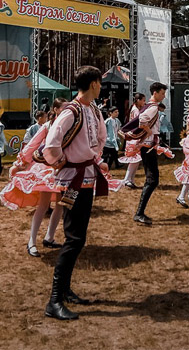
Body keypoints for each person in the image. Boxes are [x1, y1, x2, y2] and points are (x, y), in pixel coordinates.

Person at [42, 66, 109, 321]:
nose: (101, 86)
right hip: (72, 181)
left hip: (86, 179)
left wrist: (94, 158)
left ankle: (65, 291)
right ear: (93, 83)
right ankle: (54, 300)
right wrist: (62, 163)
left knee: (77, 236)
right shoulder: (71, 111)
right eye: (100, 82)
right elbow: (51, 143)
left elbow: (100, 138)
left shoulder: (92, 110)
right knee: (74, 238)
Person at [1, 98, 66, 256]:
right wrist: (19, 163)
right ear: (56, 109)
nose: (67, 111)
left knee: (60, 205)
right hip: (47, 169)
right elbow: (33, 144)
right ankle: (31, 241)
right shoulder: (48, 126)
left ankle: (49, 237)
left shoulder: (68, 125)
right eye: (64, 108)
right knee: (43, 205)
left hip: (62, 169)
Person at [132, 82, 168, 225]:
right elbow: (142, 121)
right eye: (162, 93)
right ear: (155, 93)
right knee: (152, 180)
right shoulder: (153, 108)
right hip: (148, 146)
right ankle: (139, 213)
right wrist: (149, 132)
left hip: (147, 145)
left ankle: (140, 212)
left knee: (152, 179)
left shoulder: (149, 106)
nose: (164, 96)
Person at [120, 93, 146, 189]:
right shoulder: (135, 110)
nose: (144, 102)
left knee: (136, 160)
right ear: (138, 100)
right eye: (143, 100)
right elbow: (138, 124)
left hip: (134, 137)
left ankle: (130, 179)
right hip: (134, 138)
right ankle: (127, 179)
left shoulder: (134, 109)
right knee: (134, 160)